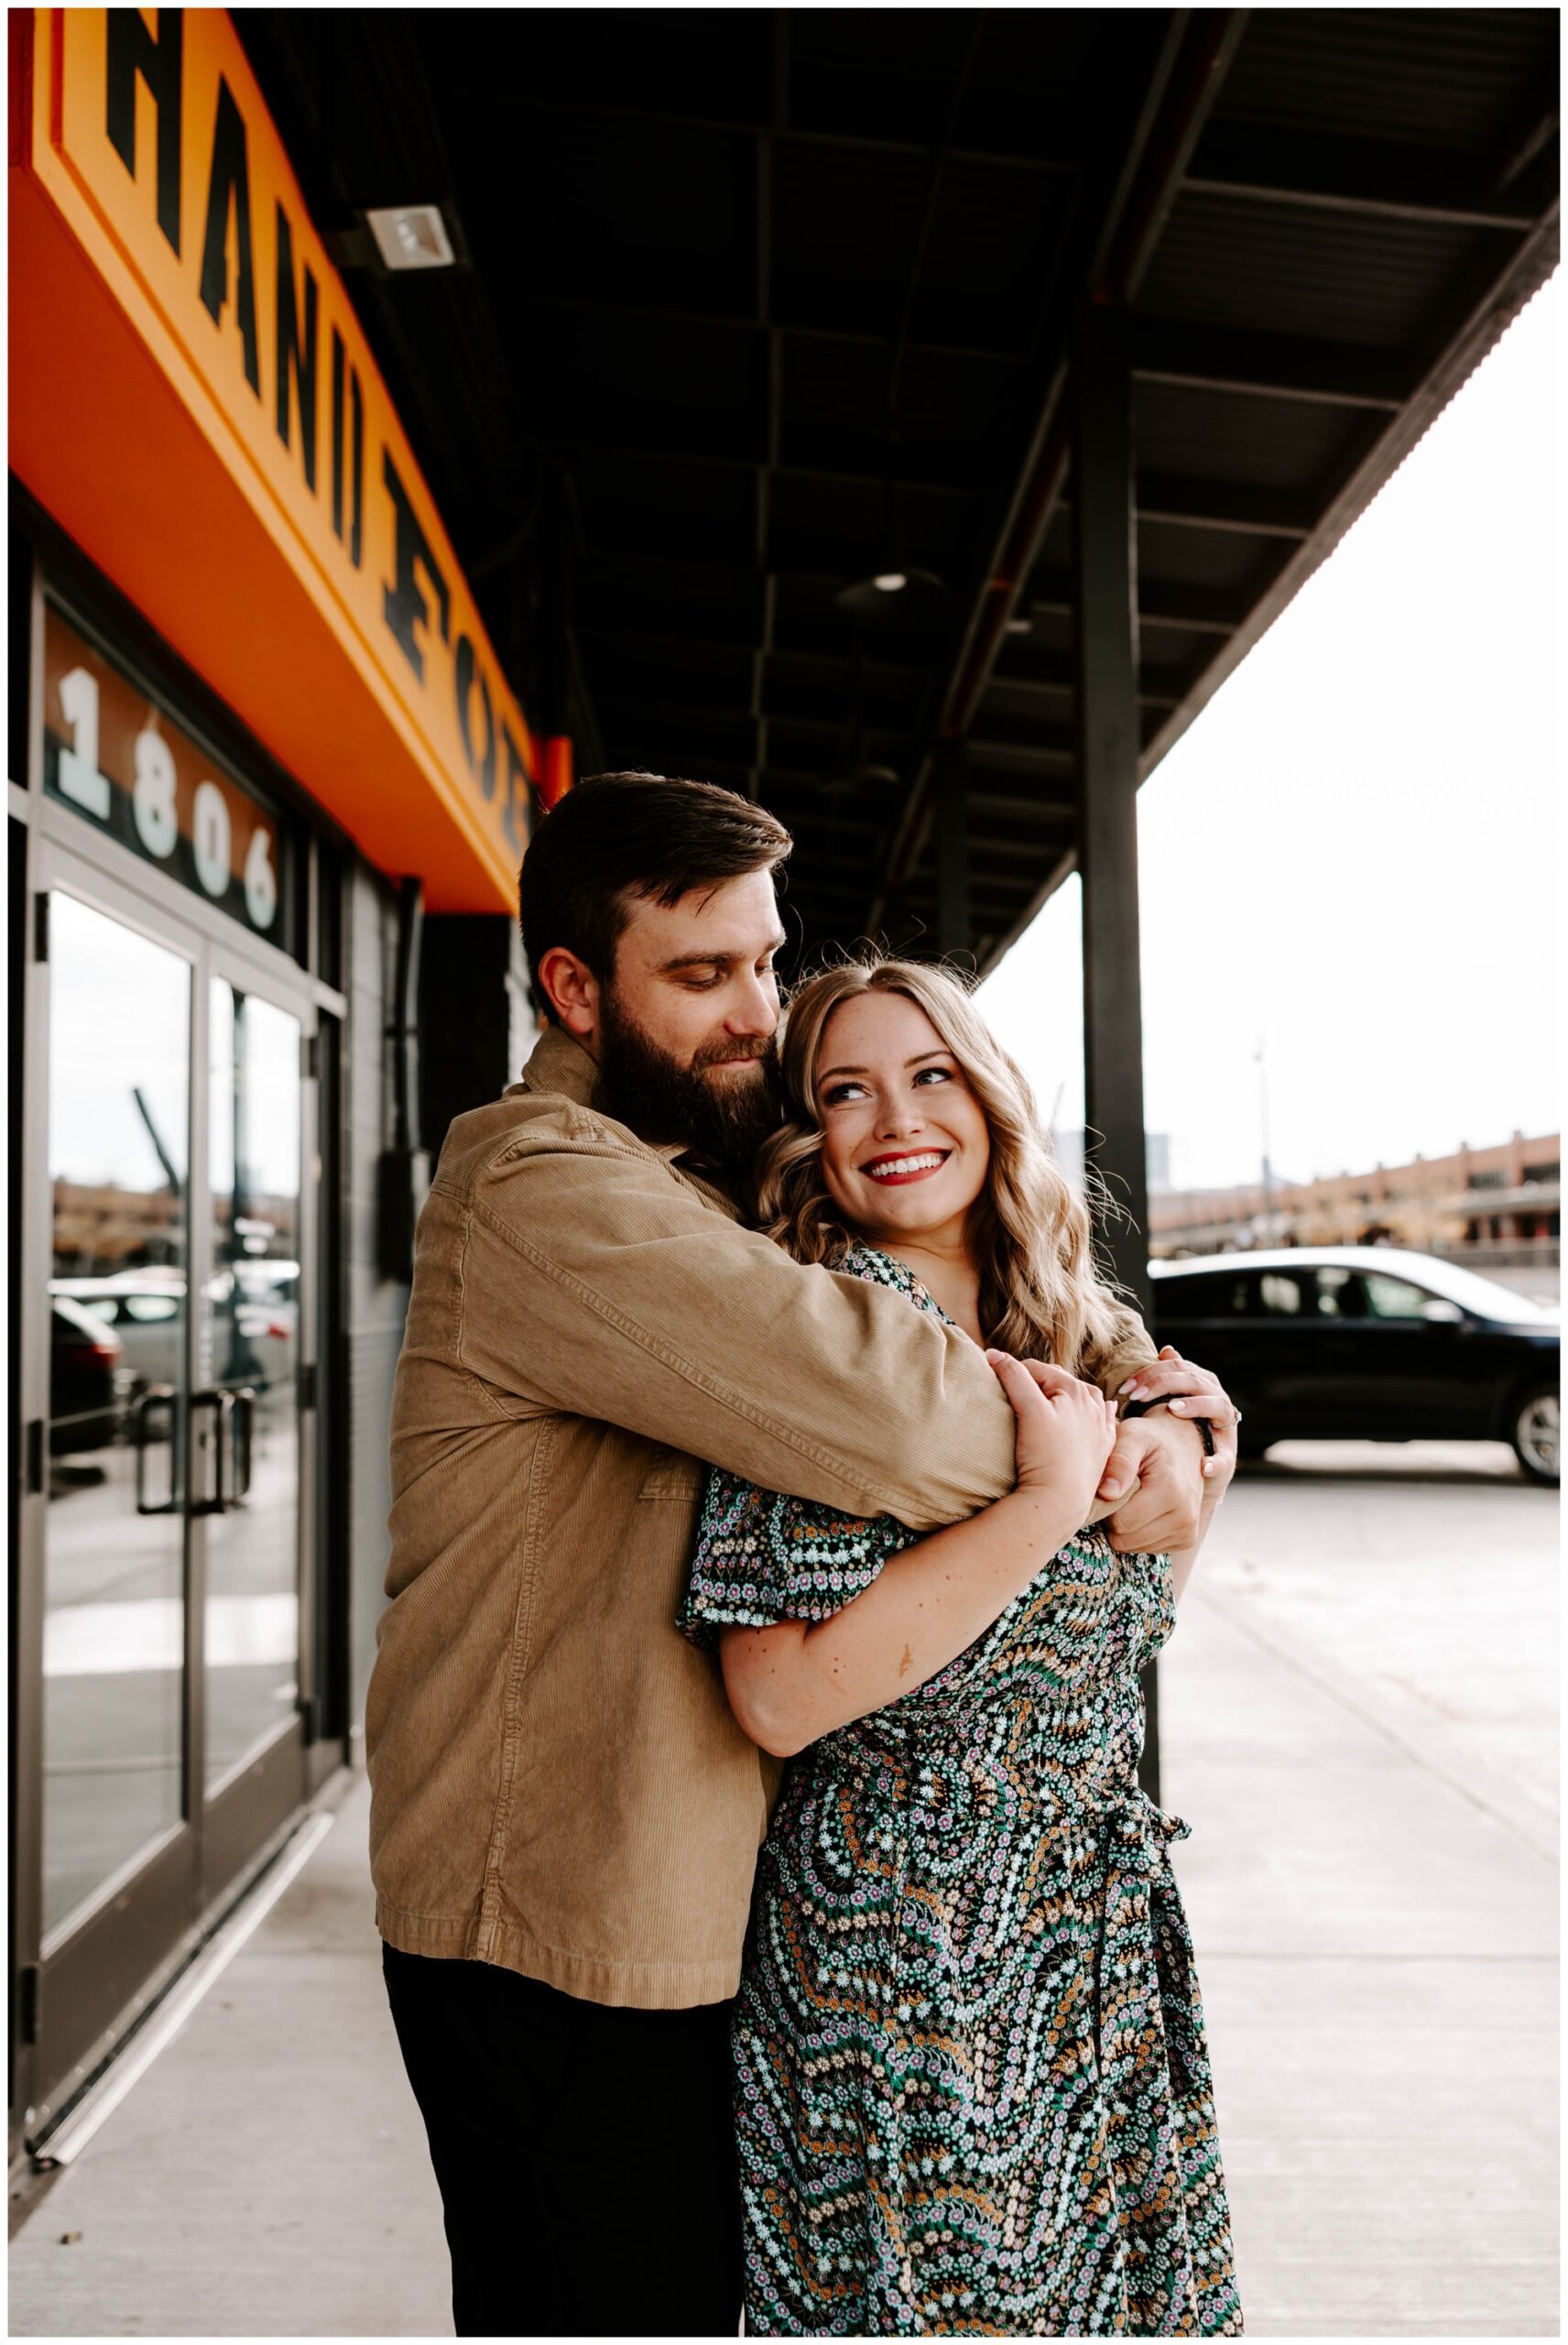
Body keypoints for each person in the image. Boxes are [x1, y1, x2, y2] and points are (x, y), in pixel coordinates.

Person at [366, 772, 1230, 2339]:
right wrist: (1123, 1450)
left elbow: (993, 1322)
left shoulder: (696, 1169)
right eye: (702, 976)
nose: (757, 1016)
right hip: (559, 1914)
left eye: (767, 963)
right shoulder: (544, 1184)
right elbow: (893, 1406)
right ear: (574, 984)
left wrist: (1173, 1406)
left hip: (711, 1903)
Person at [679, 956, 1242, 2336]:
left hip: (1089, 1927)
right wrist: (1054, 1498)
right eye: (845, 1092)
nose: (894, 1120)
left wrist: (1200, 1455)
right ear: (809, 1135)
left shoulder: (1088, 1333)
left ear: (990, 1101)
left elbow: (1111, 1643)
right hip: (908, 1945)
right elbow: (781, 1693)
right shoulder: (821, 1343)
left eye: (929, 1075)